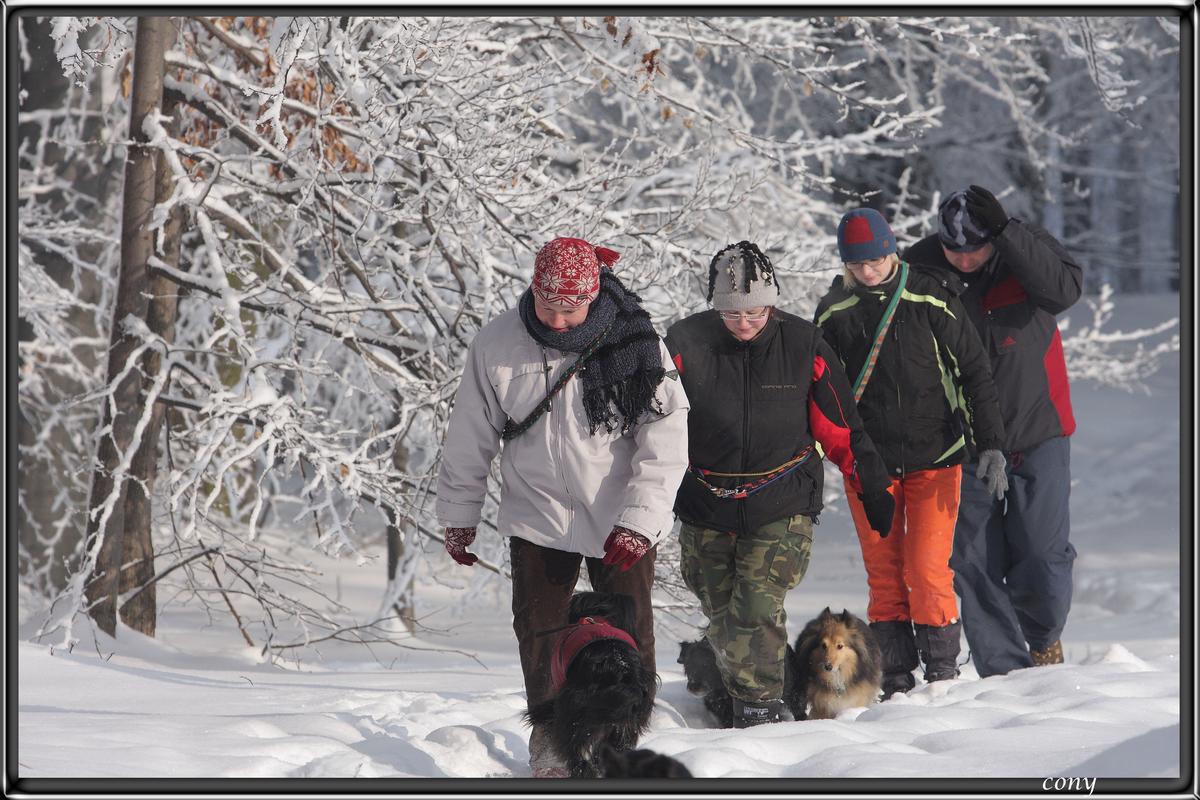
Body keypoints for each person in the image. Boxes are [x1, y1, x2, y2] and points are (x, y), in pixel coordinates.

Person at [435, 237, 689, 777]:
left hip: (618, 513)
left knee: (630, 629)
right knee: (540, 628)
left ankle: (622, 736)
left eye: (571, 308)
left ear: (594, 297)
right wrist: (458, 514)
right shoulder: (498, 343)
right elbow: (469, 435)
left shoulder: (639, 343)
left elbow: (666, 440)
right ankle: (552, 739)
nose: (558, 319)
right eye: (549, 305)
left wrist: (640, 523)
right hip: (537, 512)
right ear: (533, 289)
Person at [664, 241, 895, 728]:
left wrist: (872, 484)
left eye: (755, 311)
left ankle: (761, 709)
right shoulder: (683, 343)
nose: (744, 322)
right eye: (731, 313)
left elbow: (841, 424)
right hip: (706, 502)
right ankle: (744, 692)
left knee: (754, 607)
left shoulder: (802, 343)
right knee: (722, 610)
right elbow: (651, 423)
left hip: (780, 501)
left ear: (771, 302)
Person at [814, 208, 1008, 698]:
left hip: (935, 456)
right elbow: (819, 394)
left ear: (892, 248)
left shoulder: (931, 296)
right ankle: (896, 684)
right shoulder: (834, 311)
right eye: (856, 263)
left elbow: (974, 373)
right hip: (869, 465)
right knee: (884, 576)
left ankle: (942, 679)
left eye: (876, 258)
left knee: (926, 570)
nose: (868, 270)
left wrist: (992, 446)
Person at [903, 185, 1083, 678]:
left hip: (1037, 429)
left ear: (995, 236)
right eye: (952, 249)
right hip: (961, 442)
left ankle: (1044, 639)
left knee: (1042, 557)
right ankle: (1008, 675)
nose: (963, 260)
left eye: (976, 248)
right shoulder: (919, 268)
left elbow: (1065, 291)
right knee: (972, 562)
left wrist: (1009, 236)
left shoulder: (1023, 251)